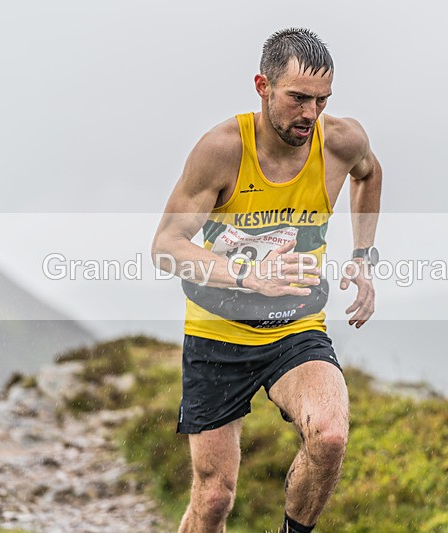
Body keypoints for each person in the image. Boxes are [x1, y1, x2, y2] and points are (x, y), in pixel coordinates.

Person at [151, 27, 382, 533]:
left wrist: (364, 256)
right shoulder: (221, 150)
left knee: (329, 438)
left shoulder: (341, 142)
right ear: (263, 86)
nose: (309, 114)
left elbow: (369, 173)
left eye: (321, 100)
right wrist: (246, 275)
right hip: (218, 331)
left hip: (295, 327)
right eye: (298, 98)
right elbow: (166, 246)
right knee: (213, 499)